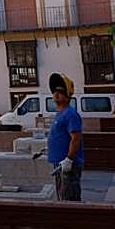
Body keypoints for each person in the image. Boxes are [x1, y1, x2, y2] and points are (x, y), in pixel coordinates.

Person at [47, 73, 84, 201]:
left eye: (61, 91)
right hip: (59, 164)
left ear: (68, 95)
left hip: (69, 165)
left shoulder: (70, 114)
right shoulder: (60, 113)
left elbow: (76, 138)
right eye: (55, 91)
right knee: (62, 198)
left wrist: (69, 159)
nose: (56, 94)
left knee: (69, 199)